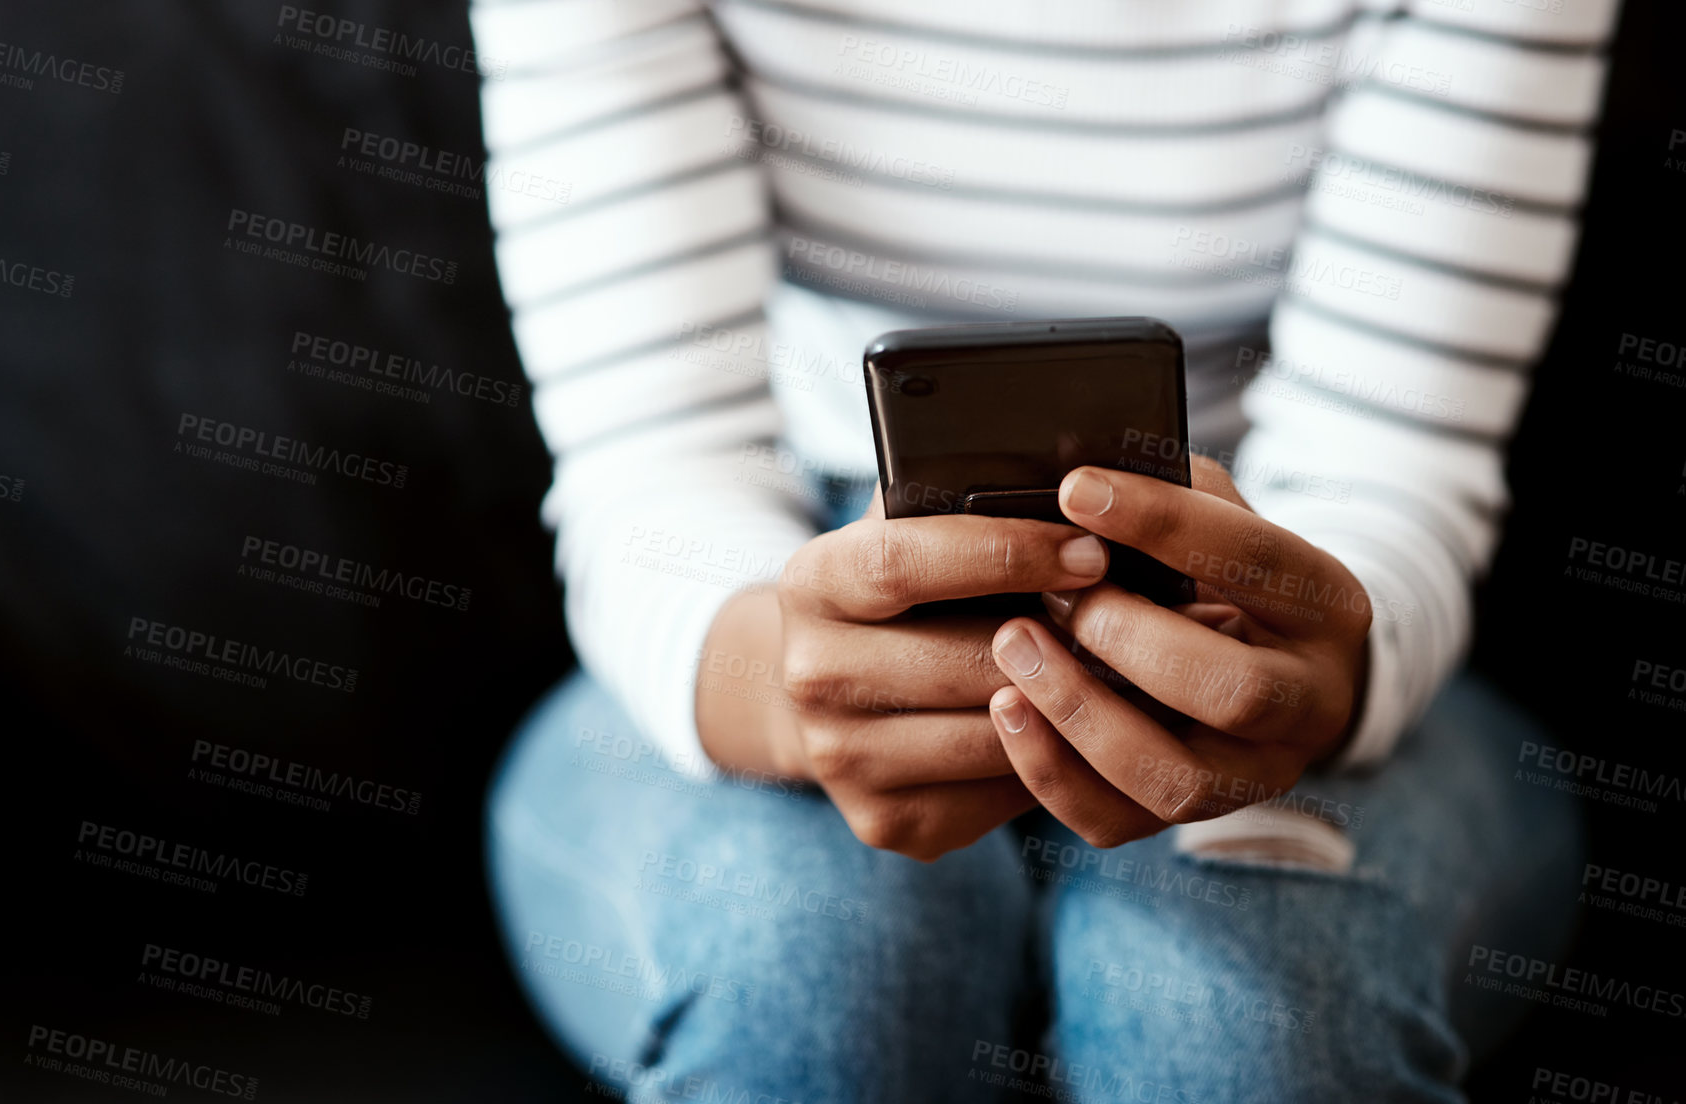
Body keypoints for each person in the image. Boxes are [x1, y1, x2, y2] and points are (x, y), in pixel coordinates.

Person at [476, 2, 1619, 1099]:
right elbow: (655, 465)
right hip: (768, 577)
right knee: (814, 975)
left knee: (1233, 1020)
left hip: (1293, 574)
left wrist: (1307, 669)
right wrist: (785, 686)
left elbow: (1391, 469)